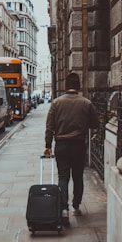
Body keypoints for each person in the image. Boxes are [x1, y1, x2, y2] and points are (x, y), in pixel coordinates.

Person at [44, 72, 99, 223]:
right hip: (78, 145)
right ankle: (76, 206)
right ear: (78, 86)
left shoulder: (56, 103)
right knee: (77, 176)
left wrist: (48, 145)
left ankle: (63, 209)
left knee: (63, 177)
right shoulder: (86, 103)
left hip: (61, 145)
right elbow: (95, 124)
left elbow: (50, 126)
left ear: (66, 85)